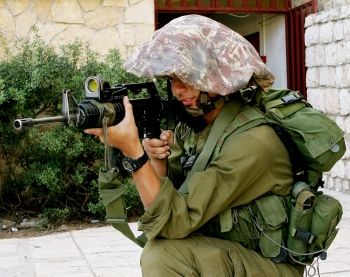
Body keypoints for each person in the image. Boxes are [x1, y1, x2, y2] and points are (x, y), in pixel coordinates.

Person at [84, 14, 304, 276]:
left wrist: (134, 153)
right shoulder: (196, 129)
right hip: (228, 249)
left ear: (219, 81)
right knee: (163, 248)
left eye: (187, 78)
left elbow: (173, 222)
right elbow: (164, 207)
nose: (177, 90)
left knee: (163, 257)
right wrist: (156, 161)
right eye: (172, 79)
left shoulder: (252, 142)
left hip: (270, 266)